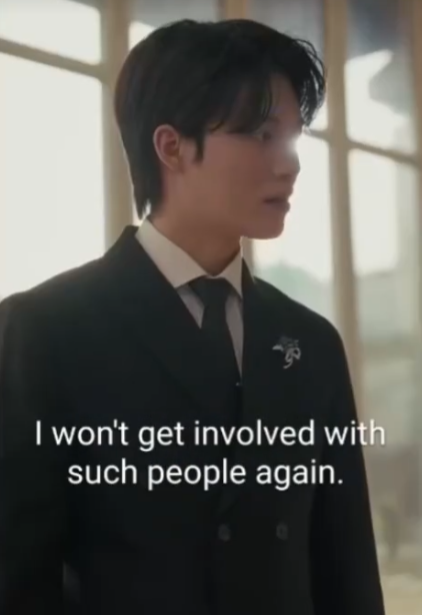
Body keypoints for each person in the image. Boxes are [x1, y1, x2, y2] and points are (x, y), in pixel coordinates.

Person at [0, 18, 385, 615]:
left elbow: (347, 571)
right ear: (171, 146)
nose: (290, 164)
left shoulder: (310, 343)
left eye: (292, 137)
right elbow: (19, 580)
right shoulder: (45, 331)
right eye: (261, 134)